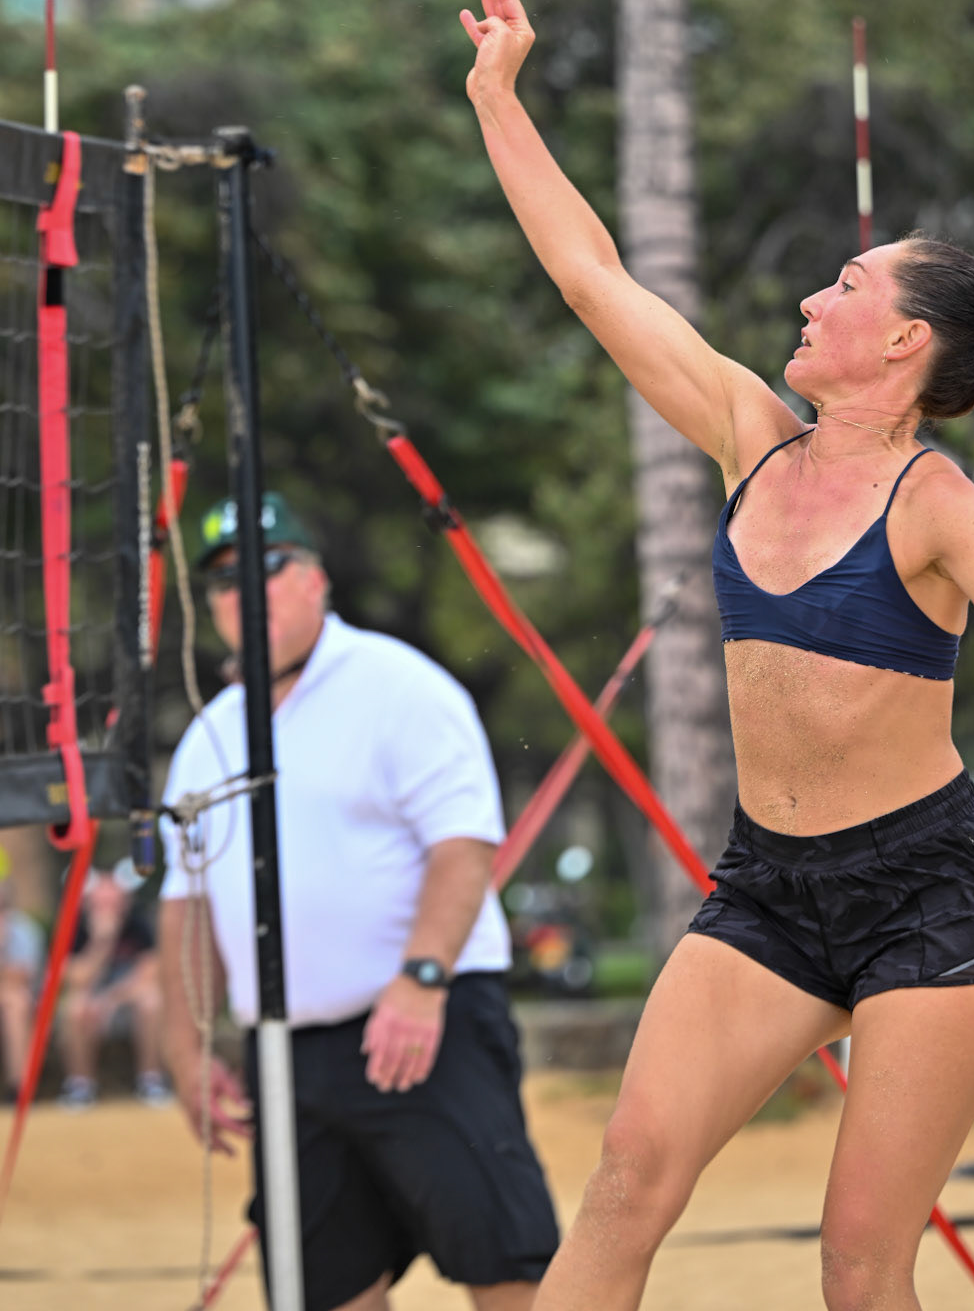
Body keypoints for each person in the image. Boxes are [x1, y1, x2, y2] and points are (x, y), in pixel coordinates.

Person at [458, 0, 974, 1311]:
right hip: (773, 887)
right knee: (626, 1183)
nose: (811, 299)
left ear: (902, 340)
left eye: (843, 286)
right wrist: (499, 95)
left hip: (935, 896)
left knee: (859, 1265)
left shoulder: (947, 509)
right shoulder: (749, 434)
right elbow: (589, 276)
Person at [158, 491, 557, 1311]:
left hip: (421, 1022)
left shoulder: (398, 686)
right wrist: (183, 1042)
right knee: (324, 1287)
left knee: (502, 1256)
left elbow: (462, 845)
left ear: (314, 579)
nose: (245, 590)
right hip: (286, 1047)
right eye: (225, 580)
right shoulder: (211, 733)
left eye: (268, 567)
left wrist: (419, 978)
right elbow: (186, 901)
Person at [58, 859, 170, 1108]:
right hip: (91, 1005)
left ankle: (151, 1081)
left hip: (123, 1003)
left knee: (152, 1001)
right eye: (102, 902)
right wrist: (102, 943)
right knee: (75, 1007)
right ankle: (80, 1086)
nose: (109, 907)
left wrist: (109, 1000)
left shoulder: (139, 925)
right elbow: (75, 979)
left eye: (114, 901)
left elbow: (150, 973)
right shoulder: (74, 928)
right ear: (88, 903)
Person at [0, 847, 45, 1104]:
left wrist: (3, 945)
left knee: (15, 1003)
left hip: (13, 998)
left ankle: (20, 1089)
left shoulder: (24, 929)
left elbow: (19, 979)